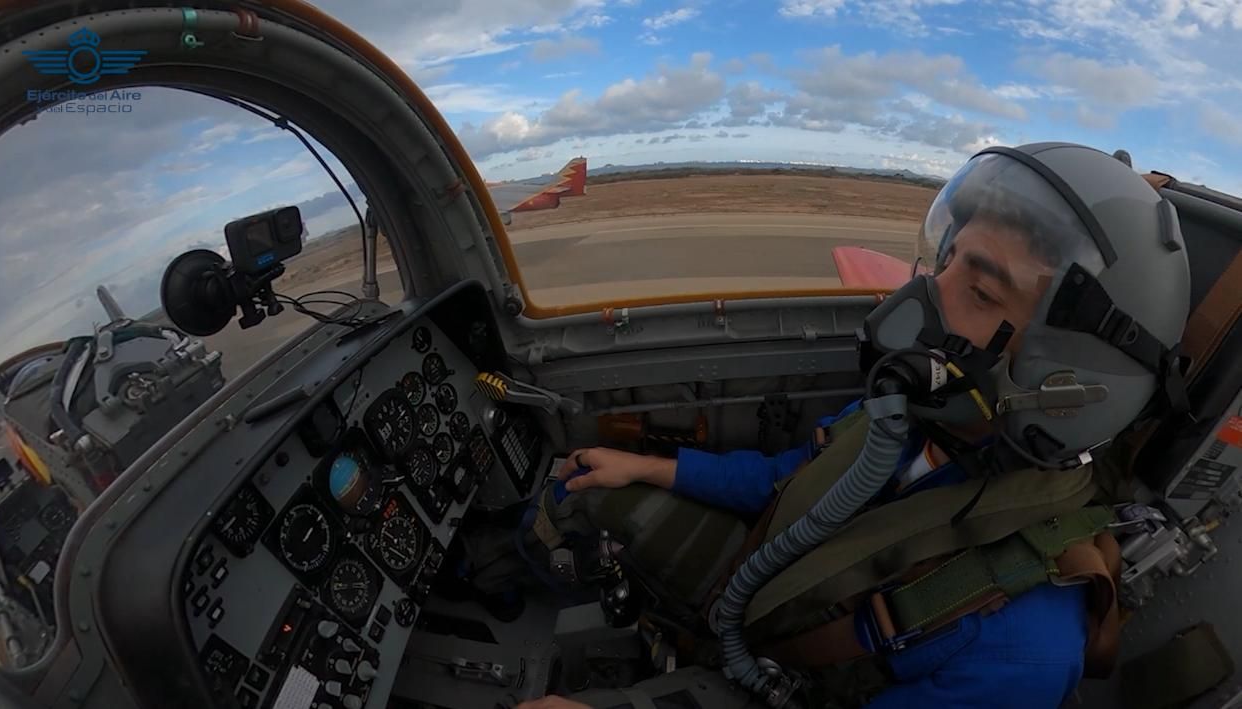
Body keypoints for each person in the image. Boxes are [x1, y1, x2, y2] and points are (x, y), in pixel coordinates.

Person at [500, 143, 1190, 709]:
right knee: (581, 488)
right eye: (944, 262)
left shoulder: (1023, 647)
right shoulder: (917, 415)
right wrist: (653, 467)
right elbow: (792, 477)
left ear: (1064, 376)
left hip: (797, 679)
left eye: (979, 291)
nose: (918, 303)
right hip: (766, 589)